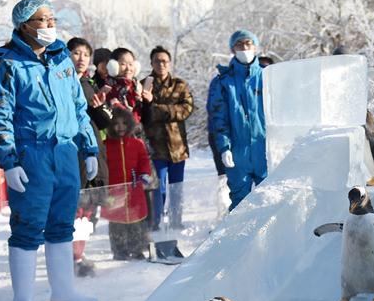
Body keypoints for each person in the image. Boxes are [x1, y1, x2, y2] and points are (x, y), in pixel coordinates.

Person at [0, 0, 100, 301]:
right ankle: (24, 300)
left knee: (63, 222)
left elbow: (79, 107)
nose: (49, 26)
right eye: (41, 21)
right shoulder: (5, 64)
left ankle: (63, 291)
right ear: (23, 25)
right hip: (31, 153)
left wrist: (89, 147)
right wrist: (9, 159)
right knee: (29, 225)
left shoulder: (61, 59)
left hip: (64, 151)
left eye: (51, 20)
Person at [207, 29, 267, 210]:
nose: (245, 48)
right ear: (232, 49)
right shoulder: (222, 82)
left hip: (265, 150)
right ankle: (241, 239)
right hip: (237, 152)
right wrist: (224, 148)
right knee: (240, 205)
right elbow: (218, 118)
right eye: (239, 45)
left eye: (248, 43)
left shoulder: (268, 76)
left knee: (269, 201)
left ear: (255, 47)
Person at [67, 37, 109, 276]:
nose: (81, 58)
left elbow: (105, 123)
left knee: (87, 211)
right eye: (76, 53)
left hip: (93, 150)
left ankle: (78, 254)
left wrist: (100, 106)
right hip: (75, 151)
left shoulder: (88, 83)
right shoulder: (63, 82)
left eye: (85, 54)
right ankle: (73, 256)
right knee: (76, 209)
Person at [141, 45, 194, 230]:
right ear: (151, 63)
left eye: (164, 61)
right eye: (157, 61)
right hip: (156, 148)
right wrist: (166, 110)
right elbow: (143, 113)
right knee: (158, 189)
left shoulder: (180, 84)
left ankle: (176, 222)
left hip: (178, 147)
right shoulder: (144, 84)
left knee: (176, 189)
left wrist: (159, 110)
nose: (161, 64)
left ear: (169, 63)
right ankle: (156, 224)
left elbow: (187, 109)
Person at [101, 108, 152, 260]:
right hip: (114, 191)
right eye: (116, 124)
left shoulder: (137, 144)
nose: (120, 127)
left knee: (136, 221)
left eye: (124, 123)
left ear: (130, 125)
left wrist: (144, 173)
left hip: (134, 189)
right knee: (117, 222)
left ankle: (137, 249)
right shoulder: (105, 145)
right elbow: (102, 166)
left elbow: (144, 160)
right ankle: (119, 250)